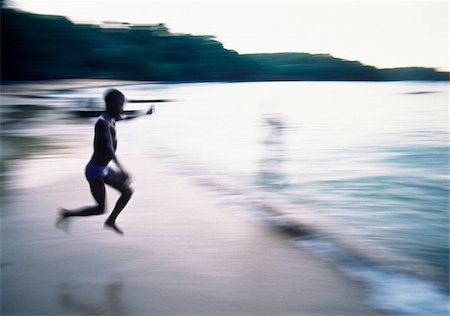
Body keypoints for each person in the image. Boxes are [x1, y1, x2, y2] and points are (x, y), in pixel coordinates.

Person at [57, 89, 134, 235]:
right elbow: (109, 150)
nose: (122, 109)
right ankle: (67, 214)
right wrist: (122, 169)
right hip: (95, 171)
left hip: (103, 168)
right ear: (111, 104)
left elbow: (127, 117)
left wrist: (144, 113)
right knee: (100, 209)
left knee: (127, 192)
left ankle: (110, 221)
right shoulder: (102, 123)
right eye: (121, 105)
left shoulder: (111, 118)